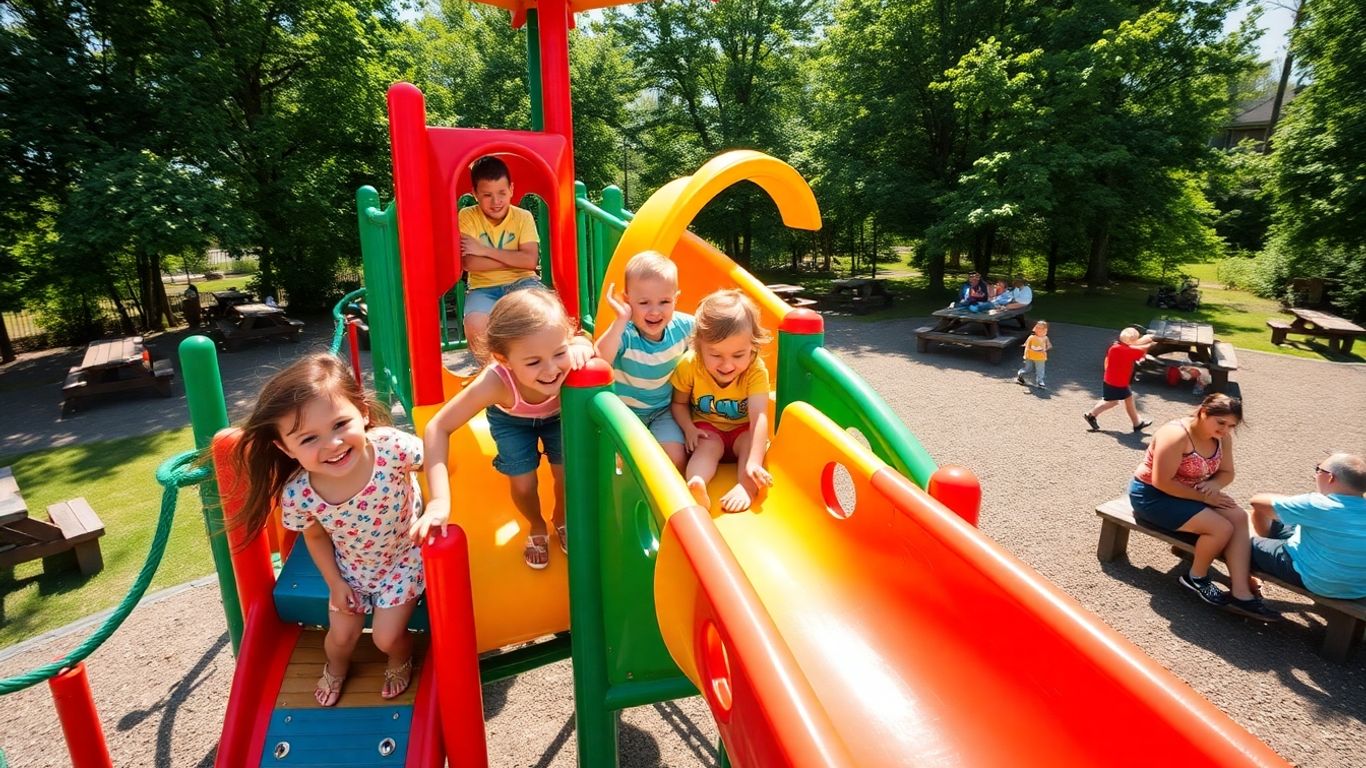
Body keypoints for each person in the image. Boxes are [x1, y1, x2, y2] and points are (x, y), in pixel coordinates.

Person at [230, 353, 425, 707]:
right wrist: (336, 582)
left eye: (339, 425)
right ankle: (336, 668)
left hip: (403, 558)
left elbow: (437, 460)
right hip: (353, 567)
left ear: (362, 411)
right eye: (308, 439)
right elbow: (316, 536)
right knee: (339, 638)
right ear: (284, 448)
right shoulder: (300, 493)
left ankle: (401, 657)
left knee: (386, 637)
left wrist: (439, 505)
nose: (332, 445)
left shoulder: (391, 448)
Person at [411, 288, 593, 569]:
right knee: (523, 483)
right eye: (533, 362)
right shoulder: (494, 383)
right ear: (503, 359)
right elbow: (438, 426)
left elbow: (594, 347)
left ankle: (562, 519)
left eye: (559, 353)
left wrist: (583, 345)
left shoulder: (571, 357)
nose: (551, 370)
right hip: (512, 421)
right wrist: (438, 501)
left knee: (567, 474)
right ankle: (536, 525)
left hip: (558, 417)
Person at [1128, 394, 1279, 621]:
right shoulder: (1176, 435)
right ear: (1203, 413)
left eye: (1231, 425)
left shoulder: (1222, 438)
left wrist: (1214, 485)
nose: (1226, 429)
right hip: (1153, 496)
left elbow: (1227, 473)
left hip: (1192, 493)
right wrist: (1208, 498)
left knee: (1238, 517)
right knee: (1220, 529)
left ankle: (1241, 591)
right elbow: (1162, 482)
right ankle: (1196, 577)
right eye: (1221, 422)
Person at [670, 290, 775, 513]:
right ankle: (697, 484)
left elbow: (759, 418)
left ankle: (747, 487)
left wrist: (754, 463)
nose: (727, 365)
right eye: (716, 355)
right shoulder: (691, 365)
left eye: (738, 355)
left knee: (750, 443)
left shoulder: (755, 371)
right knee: (706, 446)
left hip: (741, 431)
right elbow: (678, 403)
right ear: (699, 347)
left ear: (753, 347)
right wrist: (689, 428)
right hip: (709, 430)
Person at [595, 251, 695, 471]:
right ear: (627, 300)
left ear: (676, 298)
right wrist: (620, 320)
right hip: (624, 412)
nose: (655, 311)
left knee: (676, 459)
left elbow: (713, 338)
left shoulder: (685, 327)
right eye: (644, 303)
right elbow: (600, 360)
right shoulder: (625, 333)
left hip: (664, 411)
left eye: (665, 301)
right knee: (621, 467)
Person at [458, 155, 543, 365]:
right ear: (475, 194)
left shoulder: (522, 217)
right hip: (483, 288)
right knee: (475, 323)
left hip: (523, 282)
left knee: (541, 315)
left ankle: (538, 372)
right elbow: (470, 264)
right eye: (487, 195)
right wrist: (515, 258)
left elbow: (530, 261)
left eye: (502, 193)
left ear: (511, 189)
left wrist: (483, 249)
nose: (496, 202)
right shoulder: (467, 217)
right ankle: (495, 380)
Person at [1248, 453, 1366, 599]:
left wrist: (1293, 502)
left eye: (1319, 470)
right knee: (1290, 523)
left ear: (1330, 478)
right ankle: (1269, 548)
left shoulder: (1318, 504)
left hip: (1318, 581)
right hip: (1359, 588)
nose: (1315, 475)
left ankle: (1241, 594)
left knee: (1239, 542)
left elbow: (1257, 502)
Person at [1083, 327, 1156, 433]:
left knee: (1117, 400)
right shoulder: (1128, 351)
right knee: (1114, 402)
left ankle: (1137, 423)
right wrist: (1154, 342)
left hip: (1110, 379)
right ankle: (1091, 415)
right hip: (1118, 382)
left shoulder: (1114, 347)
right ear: (1132, 341)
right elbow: (1144, 348)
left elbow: (1134, 346)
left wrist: (1147, 338)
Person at [1016, 320, 1051, 388]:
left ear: (1045, 330)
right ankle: (1020, 374)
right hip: (1030, 356)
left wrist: (1044, 349)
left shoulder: (1045, 338)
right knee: (1028, 369)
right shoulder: (1032, 337)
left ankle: (1040, 382)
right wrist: (1032, 350)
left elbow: (1049, 345)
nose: (1038, 330)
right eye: (1037, 327)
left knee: (1040, 370)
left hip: (1041, 357)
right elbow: (1027, 346)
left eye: (1041, 328)